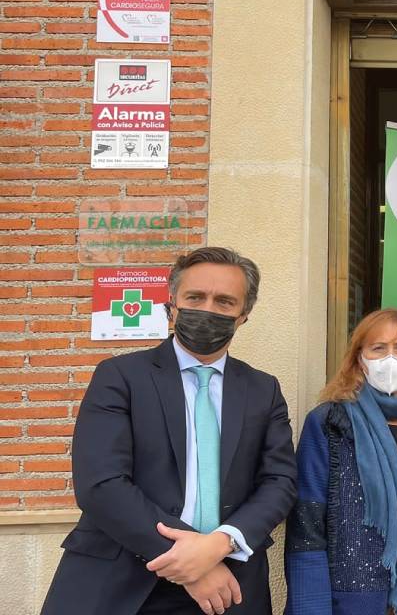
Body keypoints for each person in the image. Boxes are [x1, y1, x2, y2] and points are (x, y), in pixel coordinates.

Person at [42, 247, 297, 615]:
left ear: (244, 316)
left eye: (224, 301)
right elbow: (101, 483)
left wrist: (220, 545)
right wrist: (189, 564)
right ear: (172, 303)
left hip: (229, 585)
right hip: (122, 579)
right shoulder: (120, 376)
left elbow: (280, 482)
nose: (208, 309)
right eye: (195, 297)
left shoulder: (263, 389)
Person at [284, 308, 397, 615]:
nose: (390, 359)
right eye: (378, 349)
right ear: (360, 360)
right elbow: (306, 524)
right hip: (353, 603)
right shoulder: (329, 422)